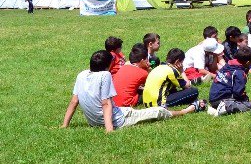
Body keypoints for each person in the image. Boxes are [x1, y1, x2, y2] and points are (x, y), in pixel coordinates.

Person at [62, 50, 201, 132]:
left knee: (131, 110)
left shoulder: (82, 74)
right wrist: (109, 129)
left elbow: (74, 101)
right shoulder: (105, 75)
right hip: (117, 120)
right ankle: (187, 110)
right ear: (107, 65)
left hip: (94, 121)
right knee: (158, 111)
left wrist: (65, 125)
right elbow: (106, 103)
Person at [208, 46, 251, 116]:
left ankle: (217, 107)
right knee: (249, 105)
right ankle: (224, 108)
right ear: (248, 62)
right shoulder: (239, 73)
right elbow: (237, 93)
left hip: (213, 97)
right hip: (222, 100)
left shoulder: (229, 64)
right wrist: (246, 100)